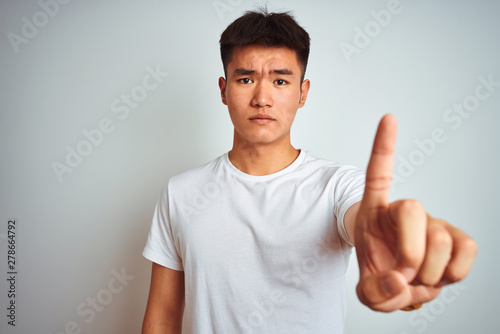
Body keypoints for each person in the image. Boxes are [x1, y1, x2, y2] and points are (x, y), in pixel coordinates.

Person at [141, 9, 477, 334]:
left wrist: (397, 260)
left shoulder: (337, 186)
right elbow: (163, 316)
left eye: (280, 80)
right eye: (246, 79)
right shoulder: (181, 193)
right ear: (223, 90)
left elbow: (363, 221)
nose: (262, 98)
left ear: (302, 93)